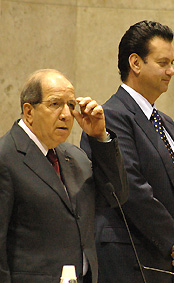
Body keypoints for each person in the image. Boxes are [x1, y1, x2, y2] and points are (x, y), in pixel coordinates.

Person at [80, 20, 174, 283]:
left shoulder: (167, 122)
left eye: (172, 63)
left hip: (173, 262)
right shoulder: (112, 116)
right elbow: (131, 188)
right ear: (136, 63)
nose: (172, 71)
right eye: (163, 63)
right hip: (131, 261)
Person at [0, 69, 128, 283]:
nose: (66, 114)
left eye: (71, 105)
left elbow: (116, 196)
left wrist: (100, 138)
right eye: (55, 104)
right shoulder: (5, 157)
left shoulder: (75, 157)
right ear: (29, 111)